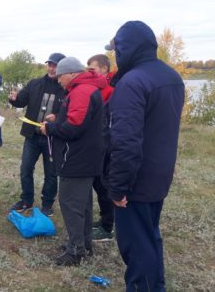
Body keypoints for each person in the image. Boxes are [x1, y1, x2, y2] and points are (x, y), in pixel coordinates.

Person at [107, 20, 184, 291]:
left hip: (136, 182)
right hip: (159, 174)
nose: (114, 55)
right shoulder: (171, 76)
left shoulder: (132, 82)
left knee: (137, 247)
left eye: (116, 50)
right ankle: (155, 285)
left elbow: (126, 143)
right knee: (150, 237)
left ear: (126, 49)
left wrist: (117, 188)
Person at [40, 57, 106, 266]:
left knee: (70, 204)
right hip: (86, 157)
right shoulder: (86, 89)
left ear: (71, 73)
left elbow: (74, 128)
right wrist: (58, 119)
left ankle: (75, 250)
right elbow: (75, 120)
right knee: (83, 204)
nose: (58, 79)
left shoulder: (82, 91)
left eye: (60, 75)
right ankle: (84, 244)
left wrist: (50, 128)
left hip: (76, 158)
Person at [8, 52, 66, 216]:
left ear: (62, 67)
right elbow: (21, 101)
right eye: (50, 64)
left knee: (51, 173)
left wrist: (58, 117)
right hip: (32, 136)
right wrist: (13, 99)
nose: (52, 68)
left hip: (53, 138)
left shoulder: (66, 88)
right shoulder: (35, 83)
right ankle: (26, 200)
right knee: (25, 169)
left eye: (55, 65)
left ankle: (47, 204)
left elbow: (70, 112)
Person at [85, 54, 116, 242]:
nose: (89, 72)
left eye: (93, 68)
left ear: (104, 68)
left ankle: (107, 227)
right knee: (97, 183)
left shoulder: (110, 90)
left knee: (104, 185)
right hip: (95, 144)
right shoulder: (95, 88)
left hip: (105, 145)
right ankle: (104, 220)